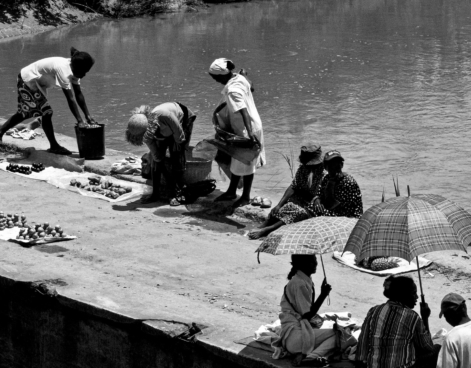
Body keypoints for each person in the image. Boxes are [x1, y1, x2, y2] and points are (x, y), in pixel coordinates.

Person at [0, 48, 96, 155]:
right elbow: (70, 98)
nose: (84, 75)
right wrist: (80, 121)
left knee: (24, 113)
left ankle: (0, 131)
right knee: (46, 112)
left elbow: (78, 93)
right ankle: (54, 146)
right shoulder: (63, 69)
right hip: (27, 80)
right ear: (77, 67)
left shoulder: (74, 70)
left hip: (36, 83)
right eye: (84, 71)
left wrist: (88, 116)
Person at [355, 276, 438, 368]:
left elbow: (363, 342)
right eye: (413, 293)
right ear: (403, 295)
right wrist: (425, 318)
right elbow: (428, 347)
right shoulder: (412, 316)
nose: (417, 297)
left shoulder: (374, 310)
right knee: (437, 350)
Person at [208, 58, 264, 208]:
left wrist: (249, 133)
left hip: (247, 128)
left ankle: (245, 197)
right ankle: (231, 191)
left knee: (246, 162)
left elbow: (243, 110)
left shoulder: (233, 91)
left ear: (221, 75)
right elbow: (251, 87)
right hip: (245, 126)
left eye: (215, 78)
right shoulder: (239, 78)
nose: (216, 81)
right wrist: (245, 76)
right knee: (237, 160)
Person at [248, 145, 326, 239]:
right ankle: (265, 224)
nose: (308, 167)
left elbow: (323, 196)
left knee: (299, 213)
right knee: (282, 207)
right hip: (302, 198)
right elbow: (293, 186)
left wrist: (316, 199)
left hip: (313, 204)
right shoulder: (303, 169)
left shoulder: (324, 174)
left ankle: (268, 229)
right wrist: (279, 204)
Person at [124, 103, 196, 205]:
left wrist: (177, 146)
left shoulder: (165, 116)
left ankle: (178, 193)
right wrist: (159, 162)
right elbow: (157, 156)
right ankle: (155, 195)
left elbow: (180, 137)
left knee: (177, 156)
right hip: (164, 129)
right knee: (156, 162)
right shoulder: (147, 135)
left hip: (182, 120)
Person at [279, 254, 336, 367]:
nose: (316, 264)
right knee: (338, 334)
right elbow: (308, 315)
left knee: (329, 327)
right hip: (296, 340)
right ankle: (311, 356)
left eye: (315, 261)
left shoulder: (303, 280)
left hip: (292, 337)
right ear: (302, 264)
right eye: (312, 261)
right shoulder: (299, 283)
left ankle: (304, 353)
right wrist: (323, 295)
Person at [308, 150, 364, 218]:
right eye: (331, 166)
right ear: (325, 167)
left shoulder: (347, 183)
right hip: (335, 211)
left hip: (349, 216)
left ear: (342, 165)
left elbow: (330, 205)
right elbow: (319, 194)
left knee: (313, 210)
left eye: (337, 166)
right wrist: (317, 200)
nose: (335, 170)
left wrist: (331, 184)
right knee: (312, 206)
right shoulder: (326, 178)